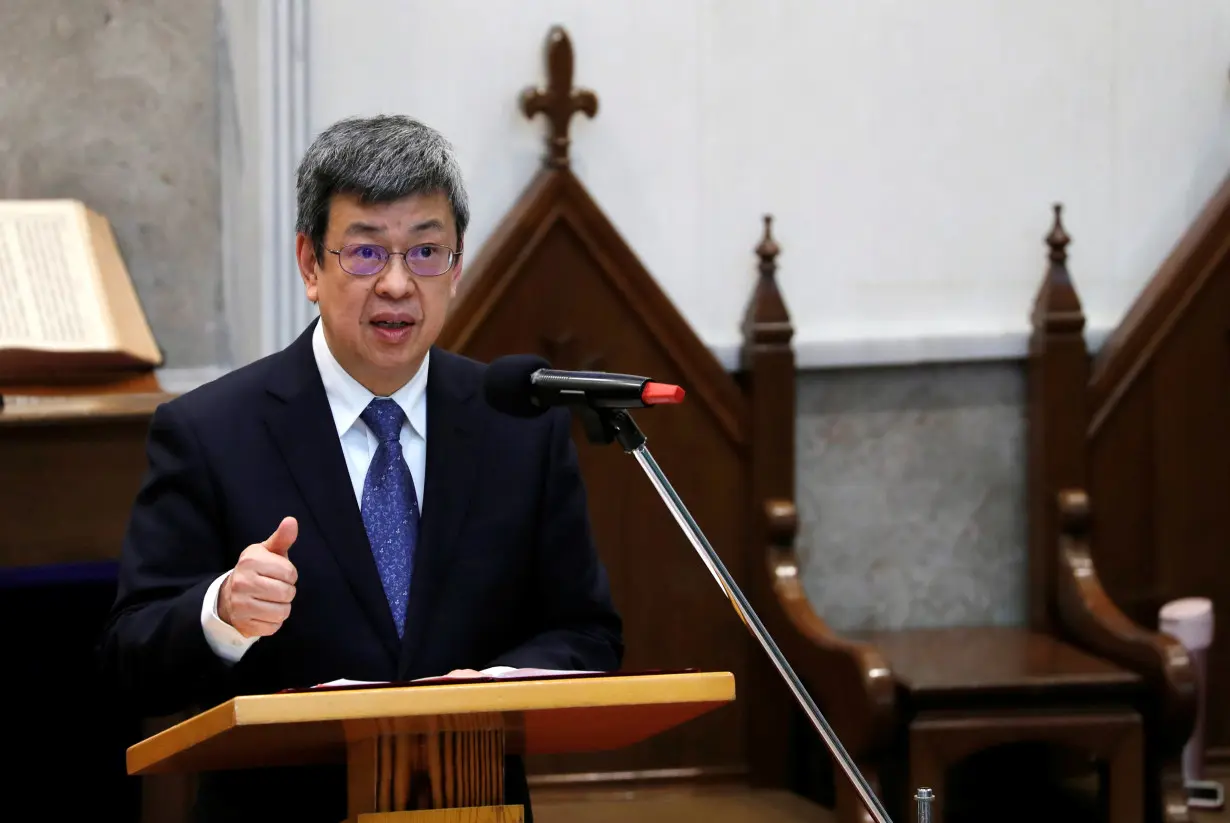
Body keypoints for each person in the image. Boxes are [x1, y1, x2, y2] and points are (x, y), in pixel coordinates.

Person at [97, 114, 624, 823]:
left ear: (457, 266)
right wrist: (222, 610)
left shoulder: (518, 425)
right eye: (367, 254)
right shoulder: (210, 431)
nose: (400, 285)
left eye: (427, 251)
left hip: (472, 803)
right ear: (311, 265)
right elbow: (128, 657)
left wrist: (485, 690)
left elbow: (586, 631)